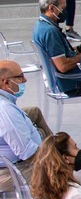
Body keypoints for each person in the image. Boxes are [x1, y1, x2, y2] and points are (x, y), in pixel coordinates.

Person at [0, 59, 52, 190]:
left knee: (33, 112)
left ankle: (51, 144)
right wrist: (55, 162)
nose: (25, 80)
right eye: (20, 77)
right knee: (67, 179)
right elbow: (27, 153)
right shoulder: (6, 111)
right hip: (10, 170)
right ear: (5, 82)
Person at [31, 0, 81, 97]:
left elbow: (62, 53)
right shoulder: (50, 32)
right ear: (52, 9)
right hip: (72, 84)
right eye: (63, 8)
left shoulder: (40, 25)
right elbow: (63, 66)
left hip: (66, 80)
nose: (65, 11)